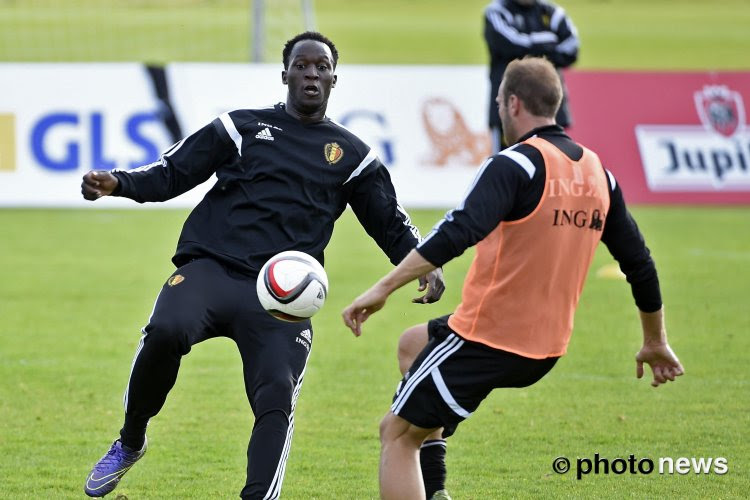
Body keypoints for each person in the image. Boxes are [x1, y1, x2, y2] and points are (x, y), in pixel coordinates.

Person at [80, 31, 444, 499]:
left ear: (334, 78)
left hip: (282, 300)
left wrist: (425, 263)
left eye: (321, 67)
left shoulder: (352, 156)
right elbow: (173, 172)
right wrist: (119, 182)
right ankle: (130, 442)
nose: (311, 74)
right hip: (210, 269)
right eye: (302, 65)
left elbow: (390, 222)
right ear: (285, 73)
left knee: (276, 395)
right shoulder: (240, 127)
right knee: (166, 329)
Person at [342, 57, 683, 500]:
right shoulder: (600, 175)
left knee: (396, 434)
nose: (498, 109)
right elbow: (640, 263)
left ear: (513, 103)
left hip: (488, 338)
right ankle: (438, 491)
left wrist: (383, 287)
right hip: (544, 348)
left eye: (500, 101)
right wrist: (654, 339)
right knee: (412, 346)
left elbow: (457, 233)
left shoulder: (515, 164)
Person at [484, 0, 579, 151]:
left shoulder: (552, 12)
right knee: (506, 163)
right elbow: (508, 44)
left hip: (550, 108)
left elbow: (571, 49)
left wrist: (529, 45)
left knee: (553, 161)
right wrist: (548, 41)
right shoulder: (497, 11)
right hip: (509, 110)